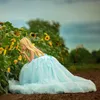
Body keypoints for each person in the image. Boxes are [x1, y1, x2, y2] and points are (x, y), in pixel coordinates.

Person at [8, 37, 97, 94]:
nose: (21, 48)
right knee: (50, 77)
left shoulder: (30, 50)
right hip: (47, 60)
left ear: (25, 44)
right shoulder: (33, 48)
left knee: (43, 78)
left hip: (42, 62)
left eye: (21, 46)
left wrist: (24, 54)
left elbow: (31, 61)